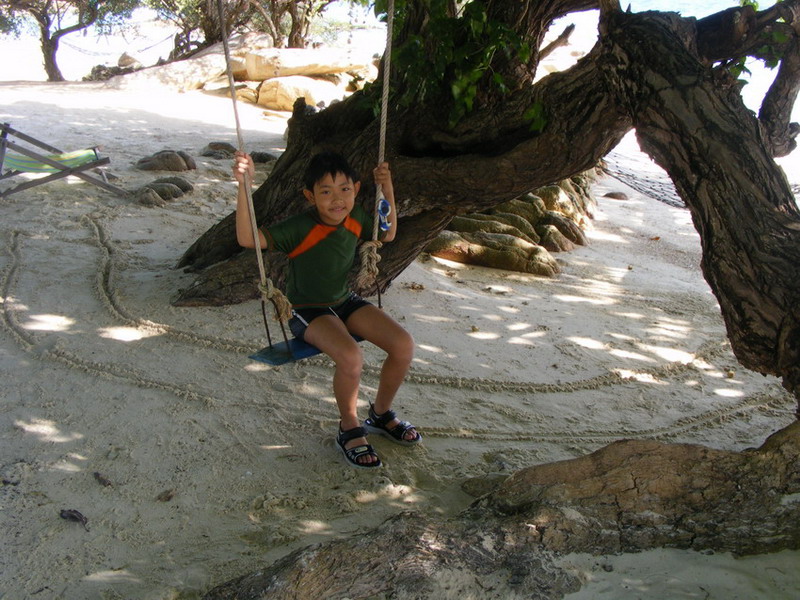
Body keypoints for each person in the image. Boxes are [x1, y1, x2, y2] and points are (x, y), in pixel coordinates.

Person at [233, 150, 421, 469]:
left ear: (356, 189)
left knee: (403, 345)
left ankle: (380, 414)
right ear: (310, 196)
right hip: (306, 309)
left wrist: (387, 186)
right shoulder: (298, 228)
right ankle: (349, 427)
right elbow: (247, 238)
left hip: (343, 301)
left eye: (344, 189)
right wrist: (243, 185)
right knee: (351, 357)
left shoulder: (357, 217)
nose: (337, 200)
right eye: (326, 192)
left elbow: (387, 232)